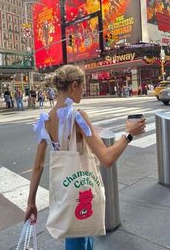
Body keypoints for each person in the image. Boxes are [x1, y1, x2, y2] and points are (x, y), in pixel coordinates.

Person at [24, 65, 146, 250]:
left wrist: (31, 202)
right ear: (74, 85)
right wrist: (128, 134)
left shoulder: (45, 120)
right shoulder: (78, 116)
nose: (84, 90)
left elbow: (38, 166)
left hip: (65, 194)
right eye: (83, 86)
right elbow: (106, 159)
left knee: (75, 234)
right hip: (81, 191)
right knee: (80, 238)